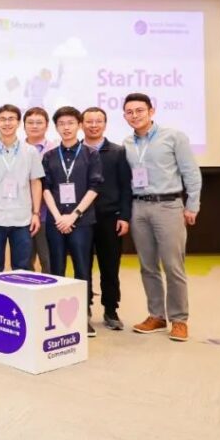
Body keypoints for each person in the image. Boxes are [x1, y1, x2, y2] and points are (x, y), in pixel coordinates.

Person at [122, 92, 201, 342]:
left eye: (139, 111)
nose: (135, 116)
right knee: (147, 266)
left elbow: (191, 172)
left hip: (168, 206)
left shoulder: (174, 137)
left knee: (173, 266)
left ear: (151, 111)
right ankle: (156, 315)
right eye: (129, 112)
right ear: (124, 116)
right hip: (138, 208)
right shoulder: (126, 143)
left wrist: (192, 206)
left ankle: (179, 320)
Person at [41, 106, 103, 338]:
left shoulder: (90, 154)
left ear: (79, 125)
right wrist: (58, 217)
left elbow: (95, 187)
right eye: (61, 124)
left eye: (70, 123)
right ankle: (55, 314)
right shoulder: (49, 156)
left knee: (82, 268)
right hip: (55, 221)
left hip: (82, 220)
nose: (66, 127)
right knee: (56, 268)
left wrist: (73, 215)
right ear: (56, 127)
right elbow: (45, 188)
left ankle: (83, 315)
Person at [0, 104, 43, 273]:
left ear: (19, 123)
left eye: (11, 119)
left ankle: (22, 300)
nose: (7, 123)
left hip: (23, 218)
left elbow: (35, 182)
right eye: (2, 119)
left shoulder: (30, 151)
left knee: (23, 266)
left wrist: (35, 214)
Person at [82, 106, 132, 331]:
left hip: (109, 217)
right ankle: (85, 308)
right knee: (83, 266)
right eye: (89, 121)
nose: (93, 125)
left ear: (105, 124)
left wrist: (124, 215)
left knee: (110, 266)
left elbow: (125, 186)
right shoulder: (75, 151)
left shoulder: (118, 152)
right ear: (82, 124)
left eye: (98, 121)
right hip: (81, 218)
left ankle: (111, 309)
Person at [23, 107, 53, 274]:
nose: (34, 126)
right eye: (30, 122)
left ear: (47, 125)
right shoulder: (16, 149)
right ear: (24, 125)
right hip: (21, 213)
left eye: (39, 122)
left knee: (47, 259)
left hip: (47, 214)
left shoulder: (54, 149)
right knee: (24, 260)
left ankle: (48, 298)